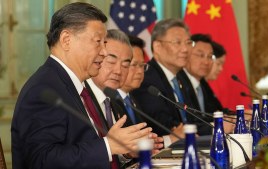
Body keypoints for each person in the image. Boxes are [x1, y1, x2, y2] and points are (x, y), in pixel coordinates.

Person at [11, 3, 151, 169]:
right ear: (66, 40)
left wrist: (121, 150)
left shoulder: (76, 85)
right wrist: (108, 145)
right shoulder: (44, 89)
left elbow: (84, 146)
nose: (104, 52)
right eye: (98, 41)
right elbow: (42, 160)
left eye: (104, 43)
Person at [84, 30, 163, 161]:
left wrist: (128, 152)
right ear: (97, 58)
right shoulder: (80, 97)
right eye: (111, 61)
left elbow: (114, 152)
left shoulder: (112, 100)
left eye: (126, 65)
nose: (118, 71)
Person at [131, 18, 194, 146]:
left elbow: (193, 116)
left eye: (188, 42)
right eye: (177, 42)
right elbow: (164, 125)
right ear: (157, 46)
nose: (185, 49)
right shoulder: (146, 77)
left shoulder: (181, 77)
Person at [177, 34, 216, 135]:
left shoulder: (202, 84)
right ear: (187, 55)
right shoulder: (178, 81)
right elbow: (190, 122)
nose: (206, 62)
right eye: (200, 55)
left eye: (210, 56)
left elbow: (214, 111)